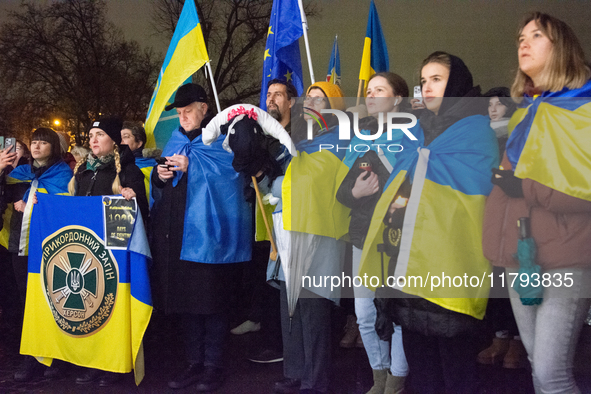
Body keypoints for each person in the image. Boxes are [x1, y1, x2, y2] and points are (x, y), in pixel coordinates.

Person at [361, 52, 499, 393]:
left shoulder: (476, 133)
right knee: (423, 376)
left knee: (456, 376)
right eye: (424, 81)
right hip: (409, 273)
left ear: (457, 84)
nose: (427, 87)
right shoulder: (421, 136)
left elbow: (477, 202)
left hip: (451, 272)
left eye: (436, 78)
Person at [483, 12, 591, 393]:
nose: (523, 43)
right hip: (522, 253)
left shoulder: (584, 109)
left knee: (552, 373)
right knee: (536, 365)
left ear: (560, 46)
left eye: (537, 35)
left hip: (567, 254)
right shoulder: (526, 113)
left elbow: (584, 188)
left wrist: (522, 188)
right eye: (520, 37)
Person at [149, 83, 252, 391]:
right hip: (177, 236)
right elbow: (160, 186)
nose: (183, 117)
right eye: (179, 113)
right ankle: (194, 363)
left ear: (205, 108)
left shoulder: (221, 139)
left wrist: (192, 165)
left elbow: (233, 179)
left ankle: (213, 366)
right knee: (186, 304)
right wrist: (160, 176)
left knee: (211, 302)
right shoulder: (175, 140)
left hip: (209, 238)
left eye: (188, 111)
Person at [272, 81, 349, 394]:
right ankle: (294, 371)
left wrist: (280, 185)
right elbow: (279, 188)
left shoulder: (342, 143)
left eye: (321, 99)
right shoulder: (298, 143)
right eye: (310, 99)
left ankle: (315, 380)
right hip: (291, 234)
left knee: (313, 313)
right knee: (290, 309)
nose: (312, 103)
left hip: (320, 237)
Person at [336, 72, 410, 394]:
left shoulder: (411, 135)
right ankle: (378, 377)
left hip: (396, 237)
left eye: (380, 89)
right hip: (362, 236)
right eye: (368, 90)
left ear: (397, 98)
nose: (371, 94)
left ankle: (397, 378)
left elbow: (414, 185)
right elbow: (342, 192)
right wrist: (356, 194)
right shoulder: (360, 138)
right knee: (364, 313)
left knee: (395, 313)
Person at [68, 116, 148, 386]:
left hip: (113, 256)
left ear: (113, 140)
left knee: (110, 308)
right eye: (91, 135)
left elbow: (143, 216)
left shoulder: (129, 172)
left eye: (100, 134)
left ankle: (114, 363)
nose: (93, 140)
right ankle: (93, 361)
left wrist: (132, 199)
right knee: (90, 307)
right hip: (86, 254)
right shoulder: (82, 171)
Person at [0, 128, 72, 382]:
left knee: (52, 302)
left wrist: (30, 200)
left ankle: (57, 356)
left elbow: (65, 203)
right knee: (25, 303)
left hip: (49, 247)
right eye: (34, 142)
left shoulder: (63, 173)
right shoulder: (18, 173)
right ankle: (31, 355)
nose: (37, 146)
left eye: (43, 142)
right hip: (19, 246)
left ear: (54, 147)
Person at [477, 87, 525, 370]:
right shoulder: (482, 138)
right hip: (489, 212)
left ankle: (517, 341)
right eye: (490, 104)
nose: (493, 109)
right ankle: (499, 337)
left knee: (516, 281)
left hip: (516, 214)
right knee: (495, 280)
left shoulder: (517, 136)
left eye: (499, 104)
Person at [121, 121, 157, 203]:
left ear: (139, 143)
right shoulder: (115, 166)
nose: (121, 141)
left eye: (125, 137)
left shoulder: (152, 166)